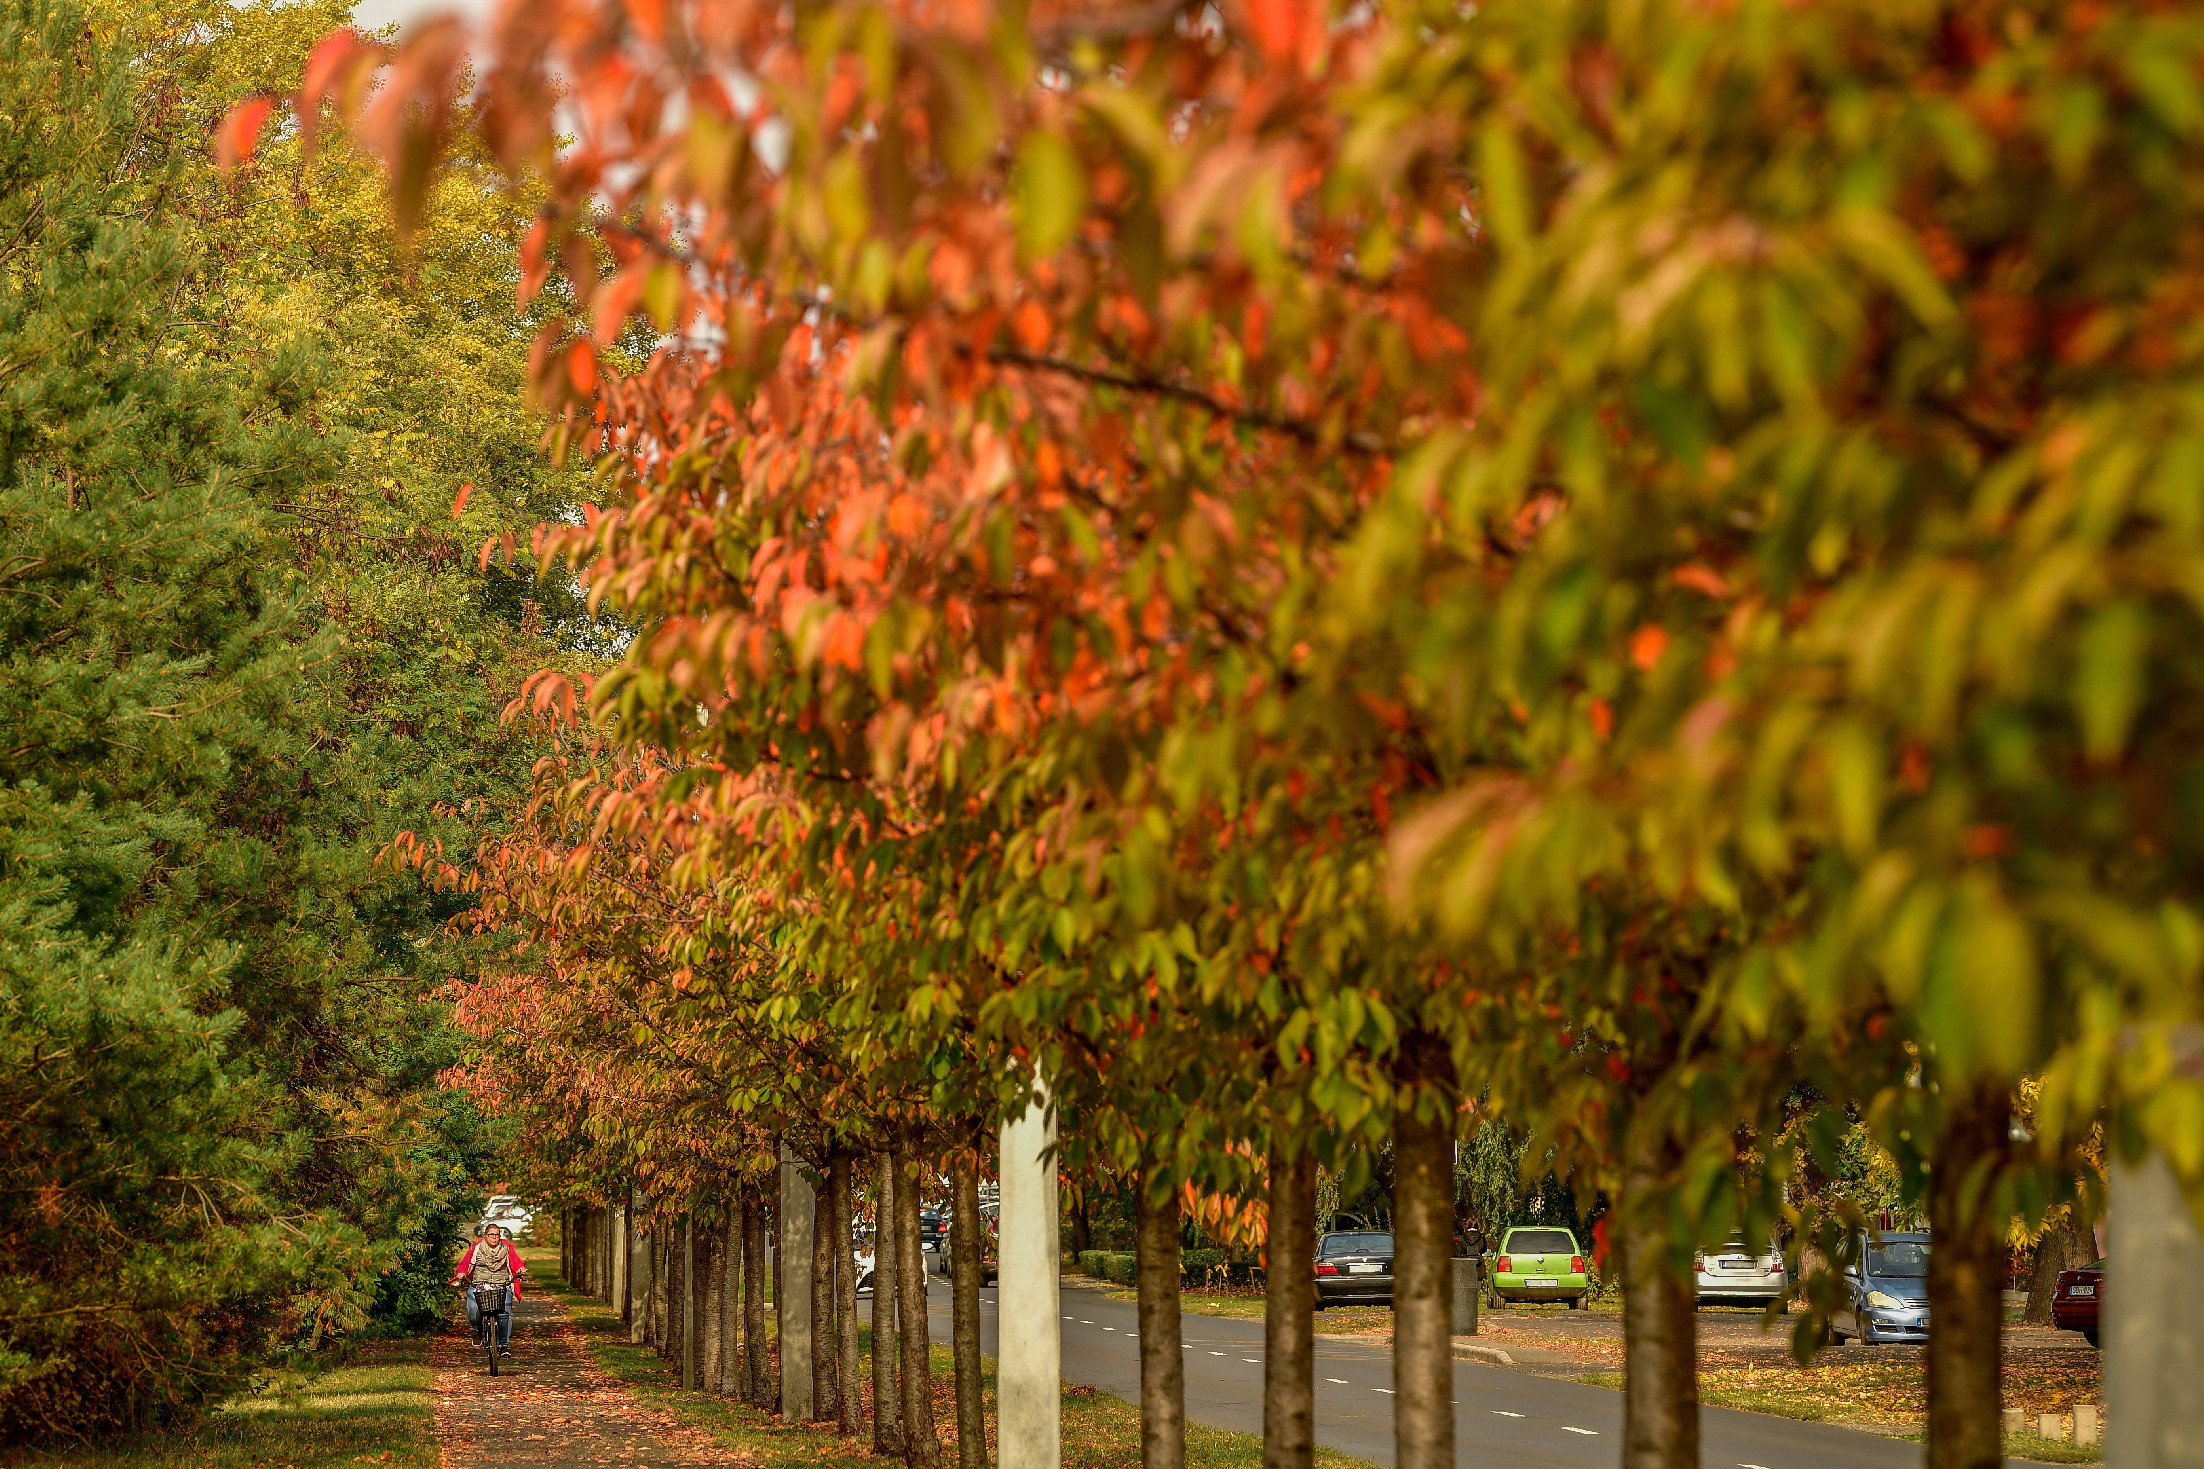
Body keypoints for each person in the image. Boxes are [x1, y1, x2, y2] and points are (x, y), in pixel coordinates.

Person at [454, 1222, 525, 1356]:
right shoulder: (477, 1248)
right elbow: (466, 1262)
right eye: (491, 1235)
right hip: (478, 1284)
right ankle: (477, 1330)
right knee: (472, 1310)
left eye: (497, 1235)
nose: (495, 1238)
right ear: (485, 1236)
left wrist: (520, 1269)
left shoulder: (506, 1248)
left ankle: (504, 1345)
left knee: (504, 1313)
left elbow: (516, 1261)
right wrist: (462, 1272)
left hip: (501, 1284)